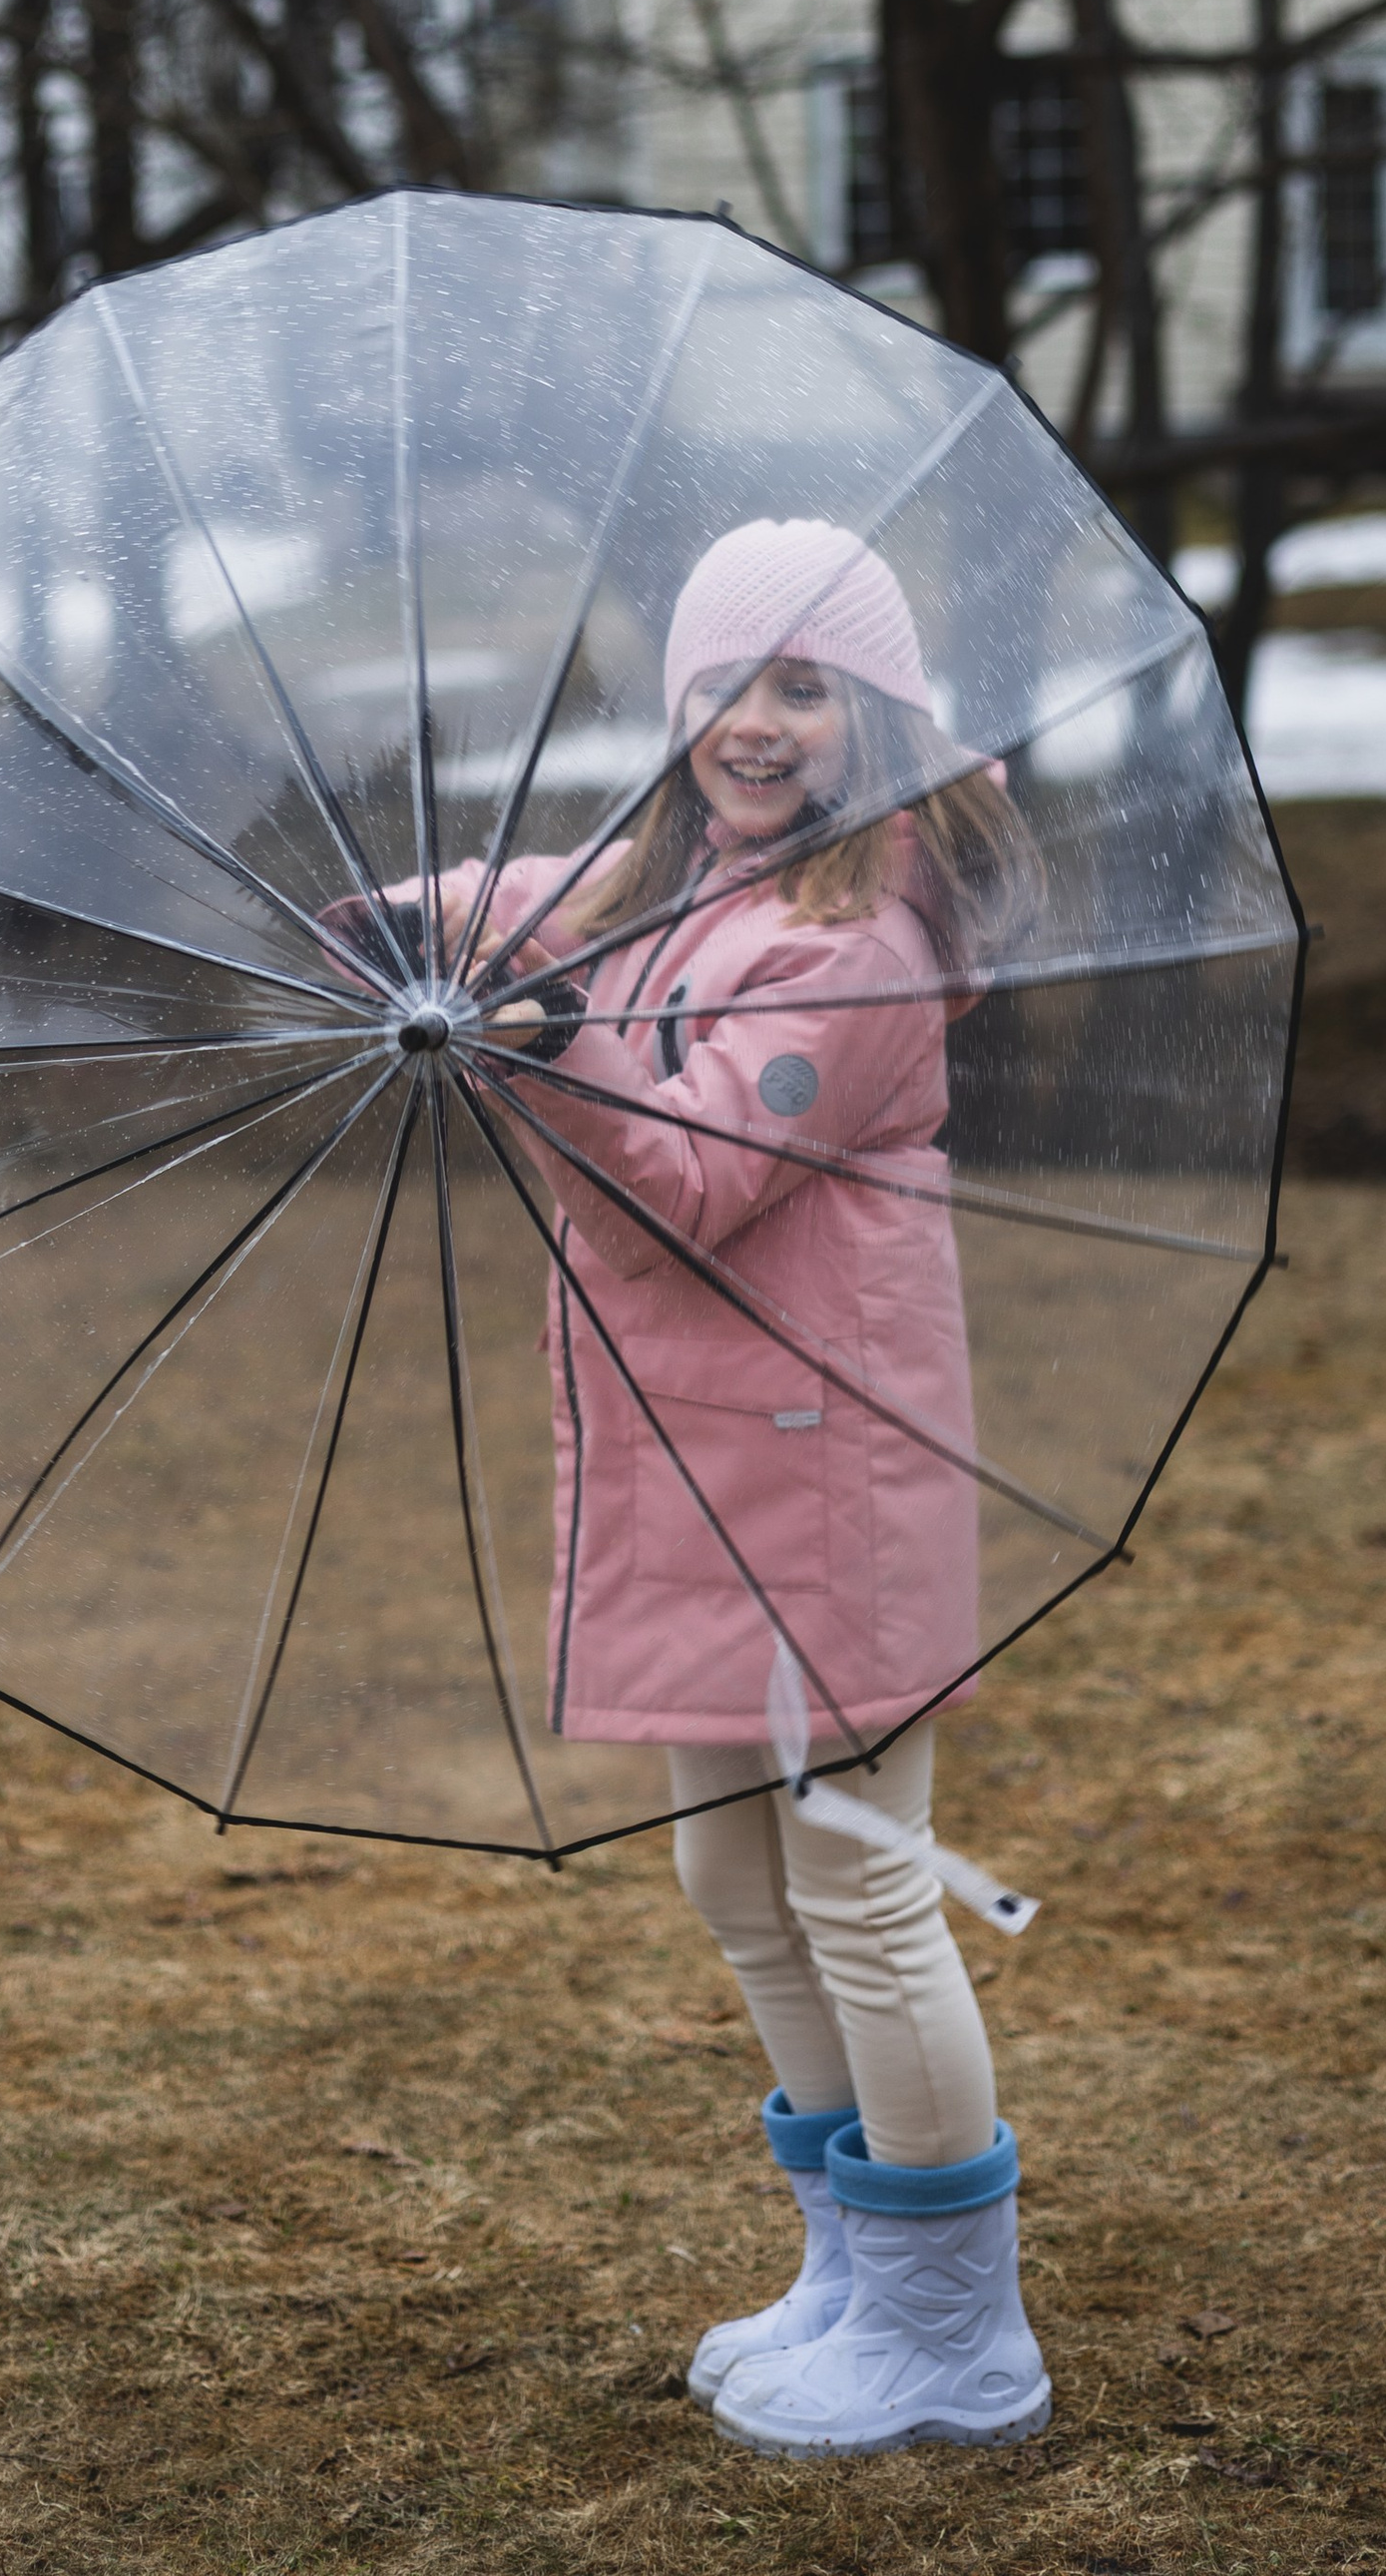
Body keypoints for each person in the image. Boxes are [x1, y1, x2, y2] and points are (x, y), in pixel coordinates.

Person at [398, 520, 1052, 2459]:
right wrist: (393, 930)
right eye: (718, 683)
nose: (751, 723)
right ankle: (857, 2261)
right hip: (703, 1475)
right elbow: (539, 894)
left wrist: (532, 1053)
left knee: (857, 1890)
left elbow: (685, 1183)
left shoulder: (856, 942)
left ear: (877, 716)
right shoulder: (690, 881)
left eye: (799, 686)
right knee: (728, 1874)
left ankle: (956, 2329)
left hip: (826, 1489)